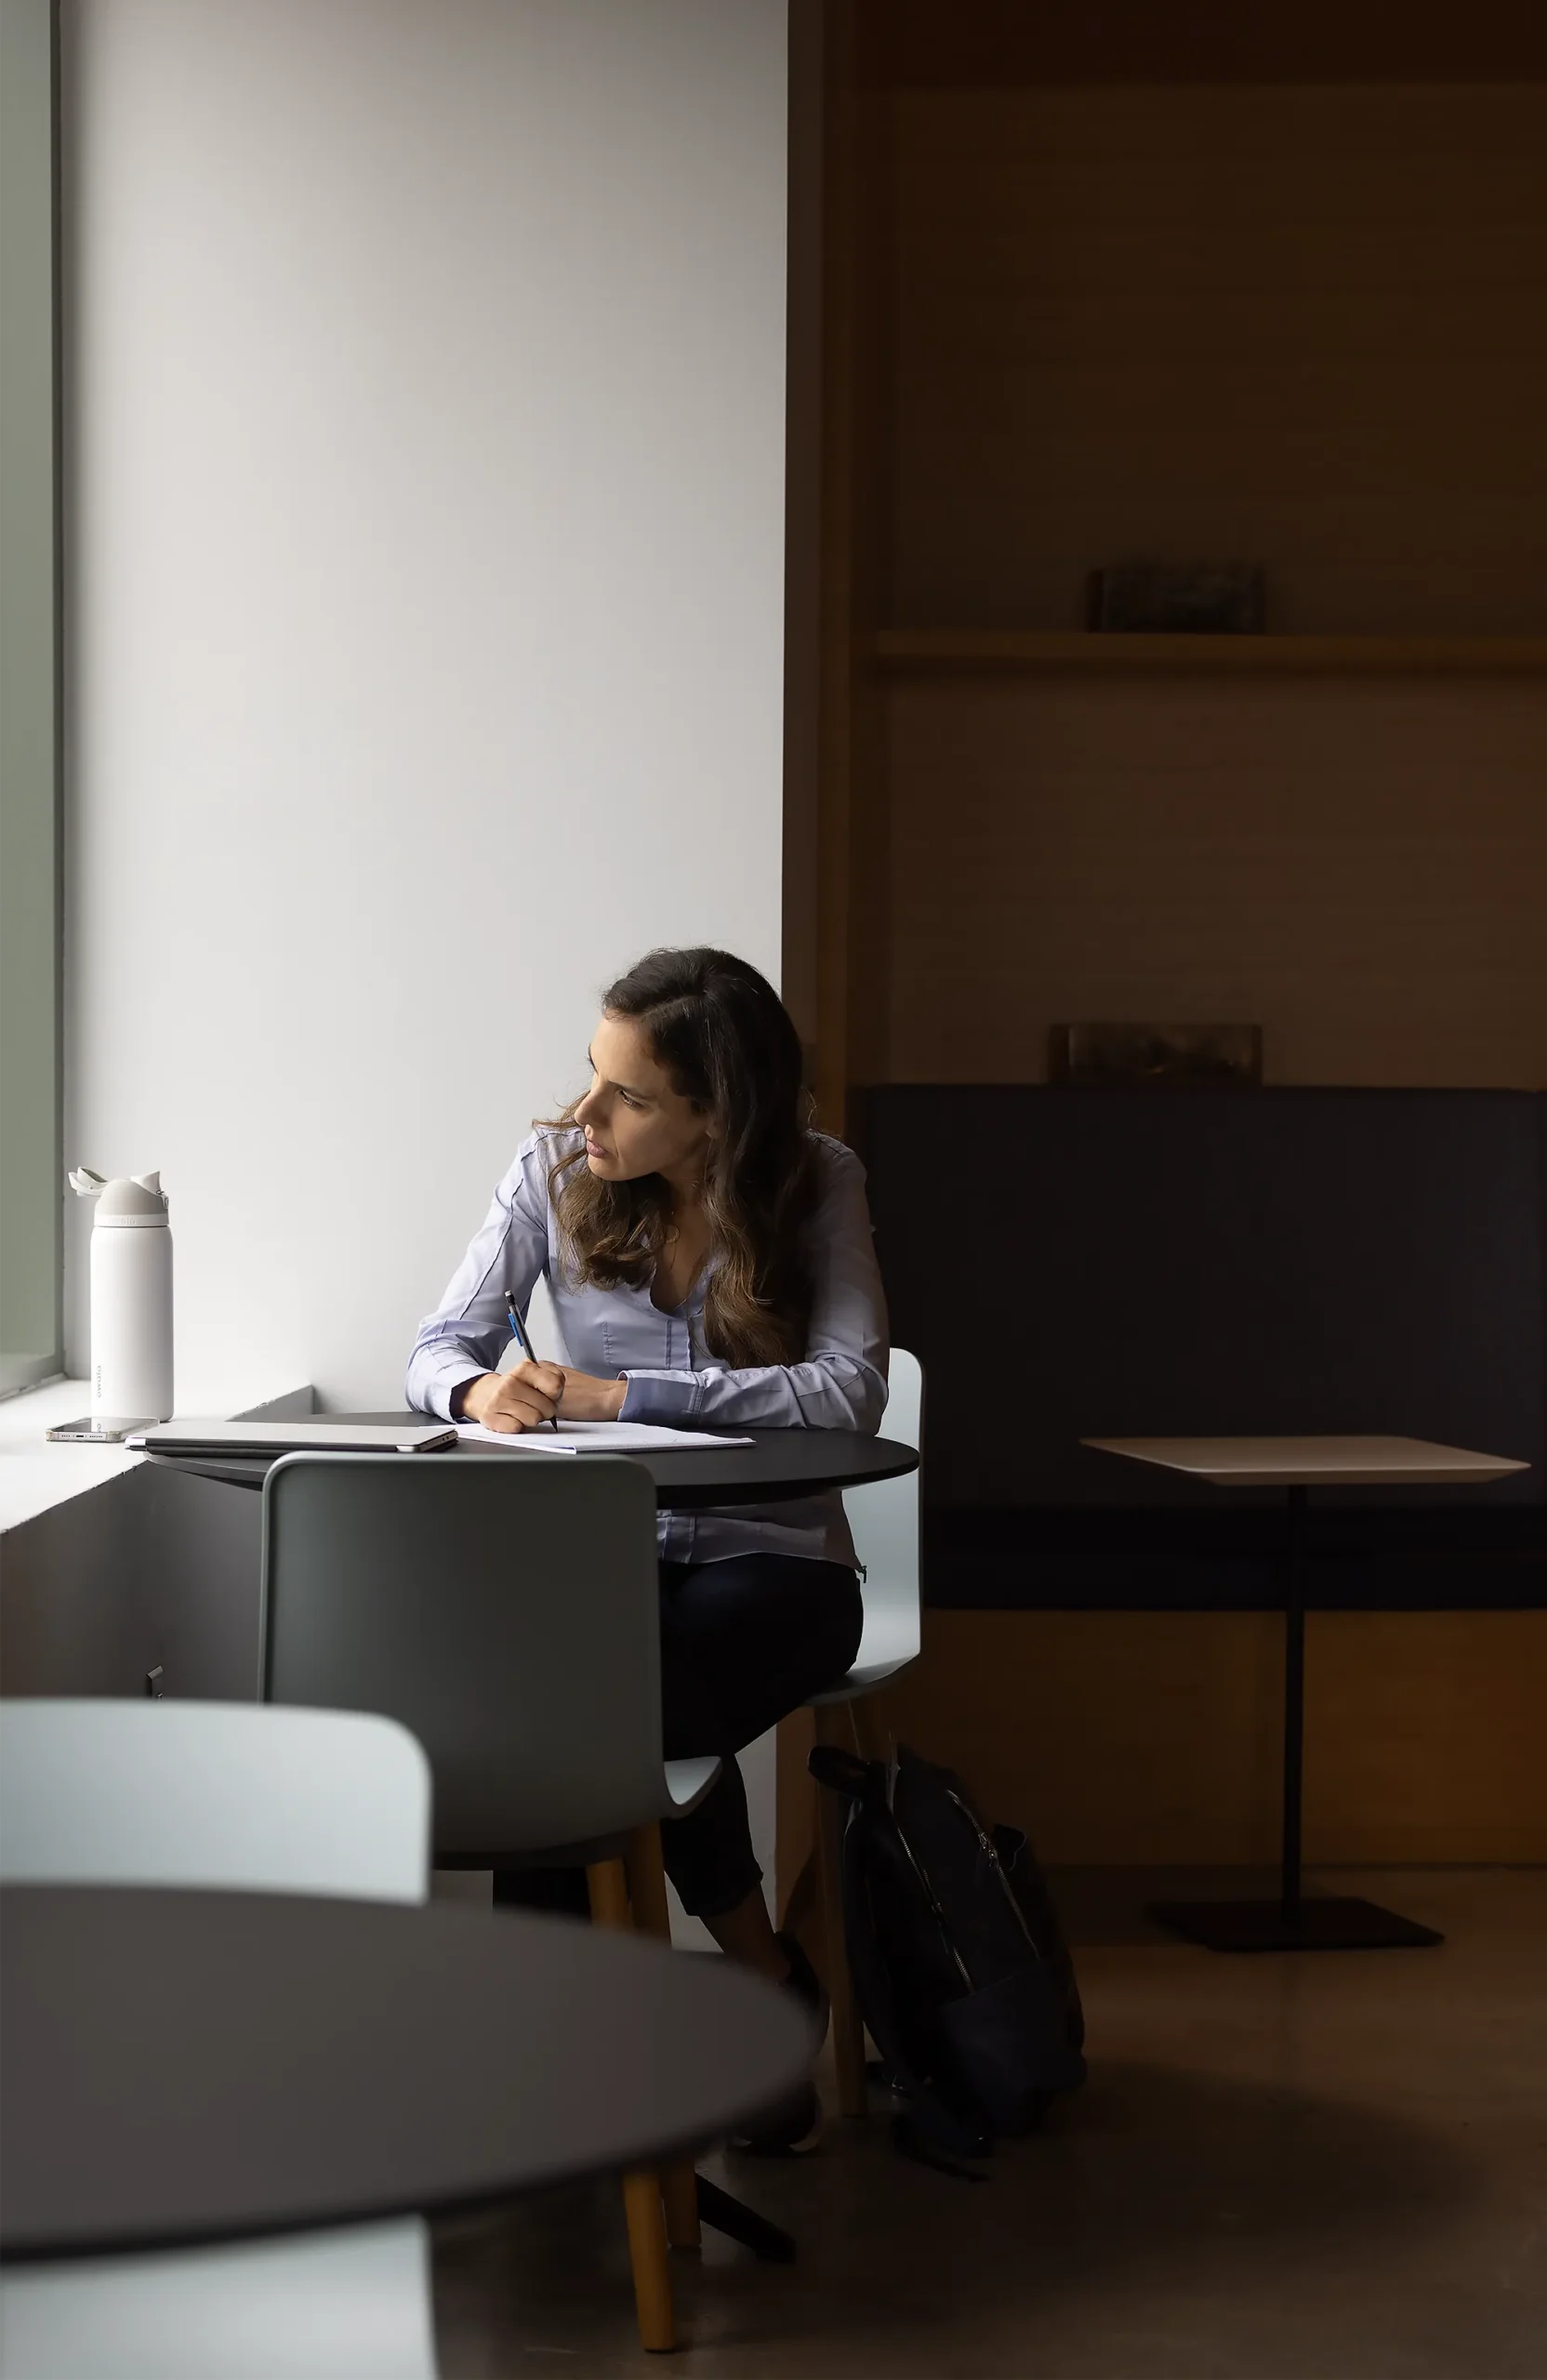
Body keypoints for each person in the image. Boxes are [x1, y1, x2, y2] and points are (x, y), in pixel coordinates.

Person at [406, 945, 889, 2151]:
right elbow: (434, 1348)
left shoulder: (818, 1182)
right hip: (603, 1568)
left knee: (586, 1706)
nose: (587, 1114)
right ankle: (752, 1982)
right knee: (594, 1691)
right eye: (590, 1075)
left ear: (715, 1116)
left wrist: (621, 1400)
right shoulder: (553, 1169)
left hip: (773, 1569)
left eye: (628, 1095)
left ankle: (564, 2053)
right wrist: (478, 1397)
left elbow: (847, 1394)